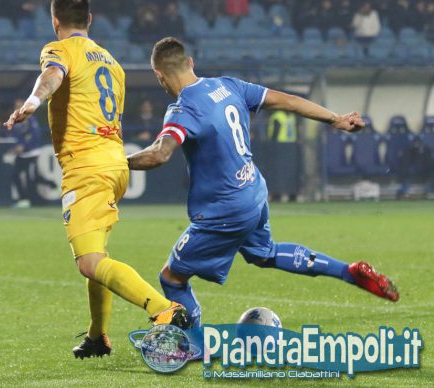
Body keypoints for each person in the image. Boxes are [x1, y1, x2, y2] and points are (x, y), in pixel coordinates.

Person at [127, 37, 399, 329]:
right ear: (190, 62)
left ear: (159, 75)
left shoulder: (183, 109)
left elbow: (159, 154)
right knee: (264, 254)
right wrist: (335, 119)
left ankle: (193, 344)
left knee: (171, 277)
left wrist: (116, 161)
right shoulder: (228, 85)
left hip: (224, 210)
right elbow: (289, 101)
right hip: (253, 191)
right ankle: (349, 272)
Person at [4, 0, 188, 359]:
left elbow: (52, 75)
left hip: (85, 167)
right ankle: (97, 336)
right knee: (97, 258)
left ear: (55, 21)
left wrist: (33, 101)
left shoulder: (59, 50)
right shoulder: (112, 63)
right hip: (116, 163)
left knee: (89, 262)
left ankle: (163, 309)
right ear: (89, 19)